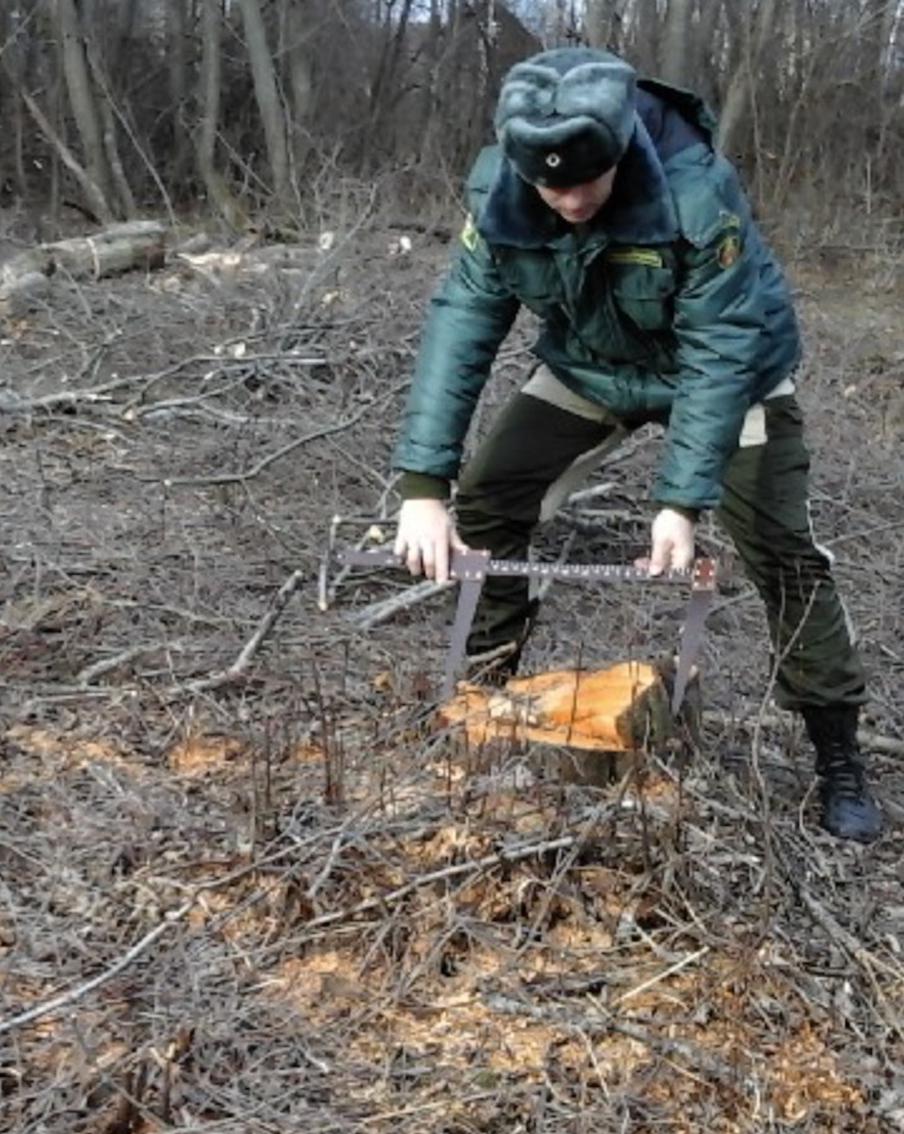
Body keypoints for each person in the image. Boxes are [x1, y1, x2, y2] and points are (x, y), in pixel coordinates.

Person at [391, 47, 882, 843]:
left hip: (728, 374)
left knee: (780, 551)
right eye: (553, 186)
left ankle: (837, 752)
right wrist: (422, 484)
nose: (572, 199)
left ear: (622, 150)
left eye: (589, 179)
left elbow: (719, 349)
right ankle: (487, 691)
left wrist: (680, 503)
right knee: (488, 498)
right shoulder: (499, 194)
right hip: (594, 366)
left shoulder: (697, 194)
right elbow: (463, 322)